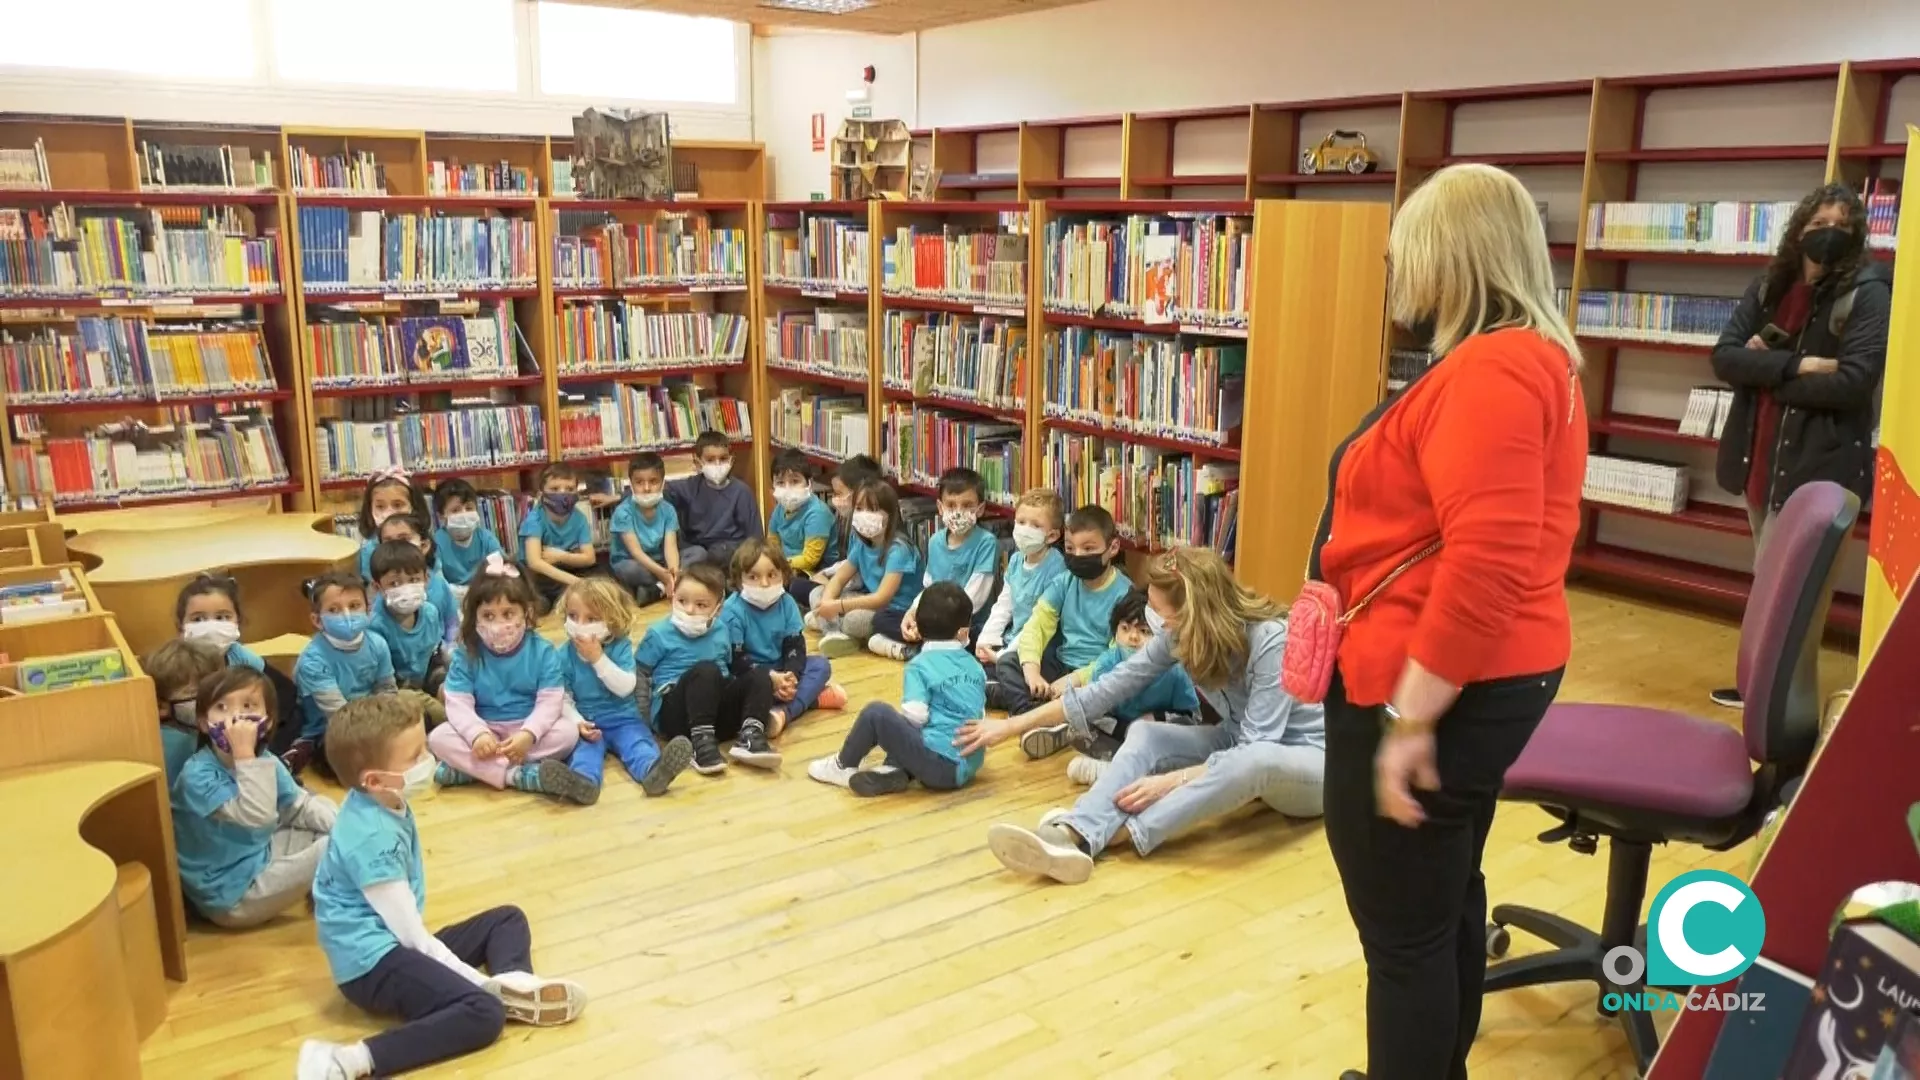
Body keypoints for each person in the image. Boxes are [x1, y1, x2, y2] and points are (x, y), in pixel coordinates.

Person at [1314, 163, 1585, 1080]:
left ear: (1451, 254)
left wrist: (1412, 720)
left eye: (1406, 253)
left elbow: (1489, 559)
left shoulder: (1494, 369)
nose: (1395, 271)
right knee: (1439, 903)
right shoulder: (1526, 359)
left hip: (1435, 676)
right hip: (1481, 669)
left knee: (1403, 936)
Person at [964, 548, 1325, 885]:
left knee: (1254, 759)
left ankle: (1118, 835)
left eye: (1159, 611)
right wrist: (1009, 726)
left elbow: (1256, 747)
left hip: (1307, 763)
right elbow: (1105, 690)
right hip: (1237, 742)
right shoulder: (1179, 636)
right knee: (1146, 733)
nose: (1152, 620)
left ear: (1193, 612)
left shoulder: (1269, 639)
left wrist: (1172, 781)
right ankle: (1078, 832)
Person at [298, 695, 587, 1080]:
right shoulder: (372, 841)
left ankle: (516, 984)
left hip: (389, 942)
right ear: (374, 779)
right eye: (415, 756)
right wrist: (480, 984)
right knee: (484, 1014)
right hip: (370, 966)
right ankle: (348, 1060)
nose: (427, 759)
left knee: (506, 919)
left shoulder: (379, 796)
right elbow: (414, 939)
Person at [1707, 180, 1888, 709]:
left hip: (1821, 468)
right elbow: (1725, 357)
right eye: (1817, 226)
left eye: (1841, 228)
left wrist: (1768, 374)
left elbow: (1854, 380)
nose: (1827, 236)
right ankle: (1759, 688)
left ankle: (1784, 703)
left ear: (1856, 237)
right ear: (1798, 230)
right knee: (1769, 582)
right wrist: (1800, 364)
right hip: (1759, 459)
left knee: (1801, 595)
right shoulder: (1771, 286)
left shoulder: (1869, 293)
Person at [171, 666, 337, 928]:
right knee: (334, 848)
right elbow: (256, 817)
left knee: (326, 810)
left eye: (248, 706)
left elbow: (298, 806)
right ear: (203, 722)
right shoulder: (197, 775)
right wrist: (244, 755)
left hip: (260, 853)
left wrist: (349, 831)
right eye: (222, 708)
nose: (236, 718)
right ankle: (336, 888)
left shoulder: (265, 760)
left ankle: (339, 884)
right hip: (230, 894)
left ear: (268, 720)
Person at [808, 583, 986, 797]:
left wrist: (891, 732)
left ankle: (842, 764)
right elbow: (979, 713)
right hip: (971, 763)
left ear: (918, 627)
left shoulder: (920, 665)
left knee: (877, 714)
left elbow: (915, 717)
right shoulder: (975, 666)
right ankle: (893, 771)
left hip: (940, 767)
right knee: (919, 727)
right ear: (963, 632)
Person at [427, 556, 583, 800]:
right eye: (488, 616)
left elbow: (550, 702)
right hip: (484, 727)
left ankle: (471, 771)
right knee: (438, 738)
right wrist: (478, 734)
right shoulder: (466, 653)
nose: (499, 624)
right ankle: (517, 775)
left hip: (525, 730)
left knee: (568, 733)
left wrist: (528, 734)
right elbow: (457, 703)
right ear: (474, 616)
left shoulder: (543, 651)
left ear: (527, 612)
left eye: (508, 614)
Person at [989, 505, 1130, 743]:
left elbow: (1118, 655)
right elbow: (1037, 625)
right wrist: (1032, 670)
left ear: (1113, 547)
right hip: (1060, 663)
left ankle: (1026, 705)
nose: (1078, 555)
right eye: (1070, 548)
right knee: (1008, 662)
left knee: (1110, 699)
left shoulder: (1125, 595)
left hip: (1095, 674)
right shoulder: (1065, 581)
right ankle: (1031, 714)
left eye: (1089, 549)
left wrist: (1076, 679)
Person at [551, 577, 693, 803]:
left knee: (638, 745)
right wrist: (577, 721)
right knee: (583, 754)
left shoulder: (620, 646)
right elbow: (562, 696)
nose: (580, 624)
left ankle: (653, 772)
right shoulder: (563, 654)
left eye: (591, 618)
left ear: (611, 620)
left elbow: (626, 687)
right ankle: (582, 783)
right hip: (587, 724)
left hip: (624, 719)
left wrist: (597, 658)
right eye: (573, 616)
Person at [636, 561, 779, 775]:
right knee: (706, 670)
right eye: (682, 601)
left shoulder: (721, 630)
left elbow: (728, 669)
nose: (690, 610)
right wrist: (643, 723)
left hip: (717, 716)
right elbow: (640, 673)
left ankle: (751, 735)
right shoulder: (658, 633)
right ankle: (700, 745)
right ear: (672, 596)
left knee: (761, 674)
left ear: (718, 609)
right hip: (677, 717)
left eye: (701, 605)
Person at [1057, 588, 1201, 784]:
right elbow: (1096, 713)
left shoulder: (1174, 670)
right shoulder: (1107, 663)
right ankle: (1125, 769)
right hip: (1117, 735)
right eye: (1125, 628)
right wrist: (1127, 730)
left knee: (1184, 750)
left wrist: (1155, 721)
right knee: (1077, 731)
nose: (1133, 637)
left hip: (1157, 737)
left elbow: (1193, 718)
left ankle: (1113, 771)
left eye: (1144, 631)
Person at [722, 539, 847, 737]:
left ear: (783, 574)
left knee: (821, 664)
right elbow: (736, 660)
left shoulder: (787, 603)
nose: (764, 583)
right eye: (753, 577)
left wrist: (791, 677)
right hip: (751, 676)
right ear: (739, 580)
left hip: (781, 668)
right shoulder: (732, 610)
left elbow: (795, 646)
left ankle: (783, 713)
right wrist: (771, 680)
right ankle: (811, 699)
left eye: (772, 575)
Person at [883, 466, 1001, 661]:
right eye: (951, 505)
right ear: (940, 508)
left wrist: (932, 624)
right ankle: (924, 646)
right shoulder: (935, 541)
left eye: (967, 505)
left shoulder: (986, 542)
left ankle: (916, 647)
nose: (958, 512)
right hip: (934, 619)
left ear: (980, 510)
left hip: (968, 623)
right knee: (883, 618)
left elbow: (974, 599)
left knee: (978, 643)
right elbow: (929, 588)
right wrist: (913, 613)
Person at [175, 571, 299, 754]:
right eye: (198, 619)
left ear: (238, 621)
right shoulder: (177, 662)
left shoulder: (238, 654)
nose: (211, 626)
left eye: (222, 617)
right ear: (181, 625)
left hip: (243, 724)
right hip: (202, 732)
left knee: (294, 716)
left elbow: (284, 689)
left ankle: (274, 757)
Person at [290, 571, 397, 775]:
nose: (347, 615)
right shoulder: (313, 660)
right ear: (317, 620)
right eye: (334, 610)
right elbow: (339, 715)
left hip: (372, 718)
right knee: (351, 761)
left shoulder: (378, 643)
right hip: (331, 730)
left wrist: (386, 722)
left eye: (355, 606)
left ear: (368, 608)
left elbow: (387, 690)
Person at [808, 479, 922, 659]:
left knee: (854, 621)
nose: (864, 514)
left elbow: (881, 598)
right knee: (817, 594)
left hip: (894, 610)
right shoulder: (862, 544)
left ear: (891, 514)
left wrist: (836, 606)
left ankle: (832, 625)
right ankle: (834, 633)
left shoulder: (899, 549)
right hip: (867, 601)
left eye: (873, 509)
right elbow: (839, 579)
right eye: (859, 509)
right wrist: (828, 601)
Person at [975, 488, 1067, 673]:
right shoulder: (1017, 559)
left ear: (1053, 536)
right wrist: (986, 639)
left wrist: (1003, 656)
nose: (1025, 529)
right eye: (1021, 522)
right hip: (1012, 638)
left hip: (1039, 646)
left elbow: (1037, 623)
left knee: (1007, 669)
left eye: (1035, 525)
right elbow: (1004, 604)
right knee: (968, 642)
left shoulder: (1057, 567)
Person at [666, 431, 762, 570]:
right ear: (698, 462)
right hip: (698, 549)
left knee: (720, 553)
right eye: (710, 460)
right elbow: (658, 490)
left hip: (729, 550)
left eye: (723, 458)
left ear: (731, 460)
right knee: (695, 555)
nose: (717, 464)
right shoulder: (689, 487)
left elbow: (755, 537)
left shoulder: (741, 492)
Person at [144, 637, 228, 785]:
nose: (214, 700)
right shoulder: (180, 745)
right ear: (161, 707)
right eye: (198, 693)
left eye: (218, 688)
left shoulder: (189, 731)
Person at [520, 463, 599, 611]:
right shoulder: (534, 520)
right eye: (554, 489)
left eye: (569, 489)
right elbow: (535, 562)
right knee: (539, 598)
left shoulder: (579, 518)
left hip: (565, 567)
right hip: (539, 576)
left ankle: (569, 597)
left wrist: (560, 556)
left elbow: (590, 558)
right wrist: (575, 581)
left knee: (602, 574)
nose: (563, 494)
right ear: (540, 493)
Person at [372, 513, 460, 645]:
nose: (398, 548)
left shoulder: (439, 586)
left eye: (404, 540)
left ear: (424, 545)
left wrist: (451, 648)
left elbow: (452, 622)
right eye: (389, 542)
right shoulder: (384, 598)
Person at [607, 451, 681, 605]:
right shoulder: (623, 512)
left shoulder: (668, 510)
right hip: (633, 561)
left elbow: (670, 547)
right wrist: (663, 574)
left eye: (653, 481)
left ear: (662, 483)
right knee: (628, 570)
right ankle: (666, 584)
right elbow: (636, 553)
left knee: (697, 554)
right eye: (639, 482)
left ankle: (656, 589)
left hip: (659, 561)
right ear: (631, 484)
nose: (646, 488)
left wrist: (673, 571)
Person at [767, 448, 836, 606]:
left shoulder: (817, 513)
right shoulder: (780, 509)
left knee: (788, 585)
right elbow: (772, 544)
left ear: (809, 483)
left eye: (795, 481)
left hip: (814, 572)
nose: (788, 488)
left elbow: (810, 559)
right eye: (780, 483)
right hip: (785, 566)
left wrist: (778, 566)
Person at [432, 479, 504, 604]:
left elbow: (502, 569)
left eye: (469, 508)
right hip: (451, 600)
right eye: (455, 510)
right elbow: (437, 581)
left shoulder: (486, 538)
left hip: (484, 596)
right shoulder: (436, 542)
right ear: (441, 516)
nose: (464, 514)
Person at [355, 471, 431, 583]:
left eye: (397, 505)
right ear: (369, 510)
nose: (389, 513)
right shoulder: (369, 551)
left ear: (414, 507)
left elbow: (436, 580)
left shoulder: (423, 542)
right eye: (380, 507)